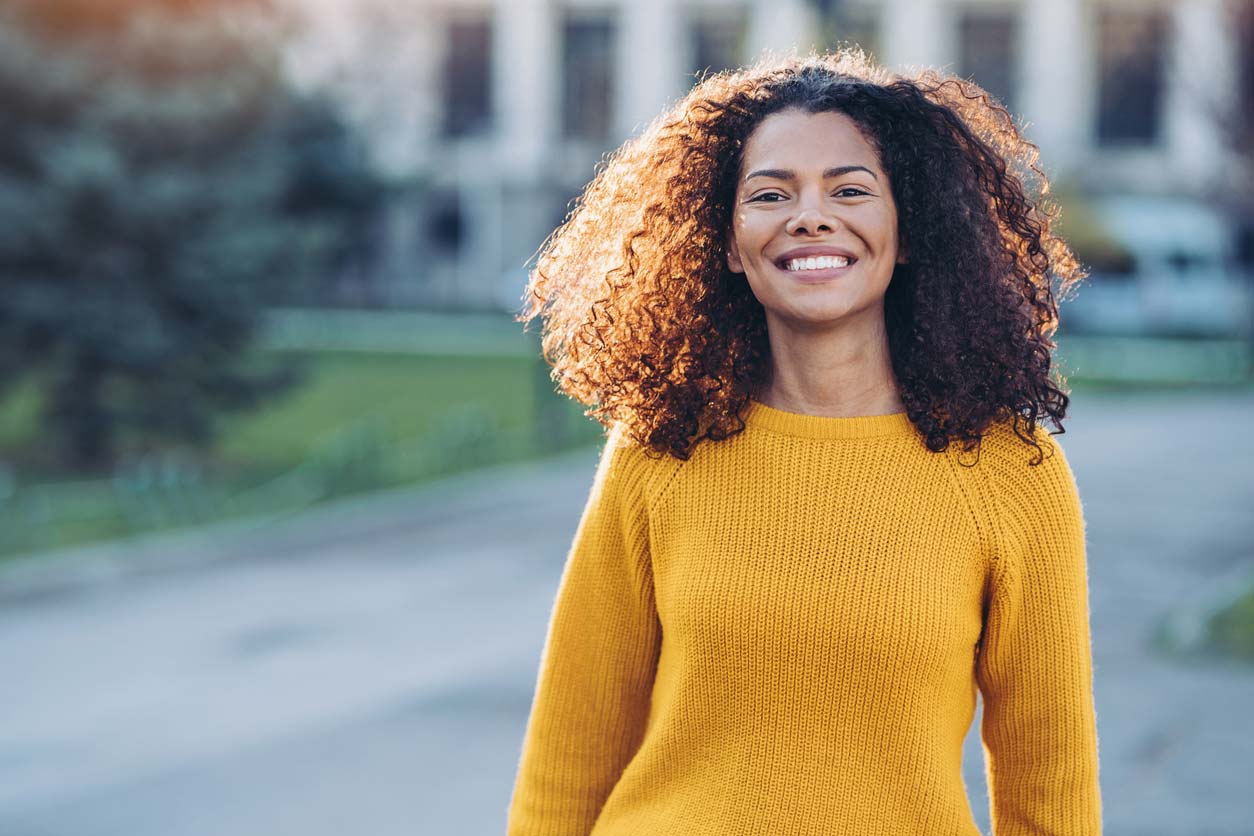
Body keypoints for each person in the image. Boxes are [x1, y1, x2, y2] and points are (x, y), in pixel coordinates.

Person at [507, 50, 1101, 835]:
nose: (811, 217)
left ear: (910, 230)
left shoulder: (1006, 472)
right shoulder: (661, 447)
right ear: (724, 241)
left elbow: (1049, 786)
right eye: (770, 194)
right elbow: (571, 750)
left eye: (850, 190)